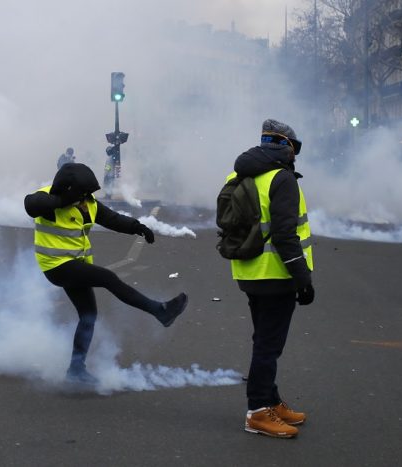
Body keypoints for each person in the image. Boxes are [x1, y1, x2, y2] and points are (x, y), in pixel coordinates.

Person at [24, 162, 188, 385]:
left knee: (88, 316)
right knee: (107, 278)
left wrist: (137, 226)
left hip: (76, 264)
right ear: (70, 191)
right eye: (82, 194)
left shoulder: (88, 203)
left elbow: (111, 218)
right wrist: (65, 200)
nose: (87, 199)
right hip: (56, 266)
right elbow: (31, 205)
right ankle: (160, 311)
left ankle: (75, 370)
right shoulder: (47, 199)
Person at [227, 119, 314, 438]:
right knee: (269, 344)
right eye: (295, 148)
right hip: (277, 275)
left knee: (264, 339)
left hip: (249, 272)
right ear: (286, 146)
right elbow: (284, 235)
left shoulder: (239, 174)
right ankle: (257, 412)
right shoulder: (283, 179)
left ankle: (271, 400)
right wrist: (303, 279)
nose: (295, 155)